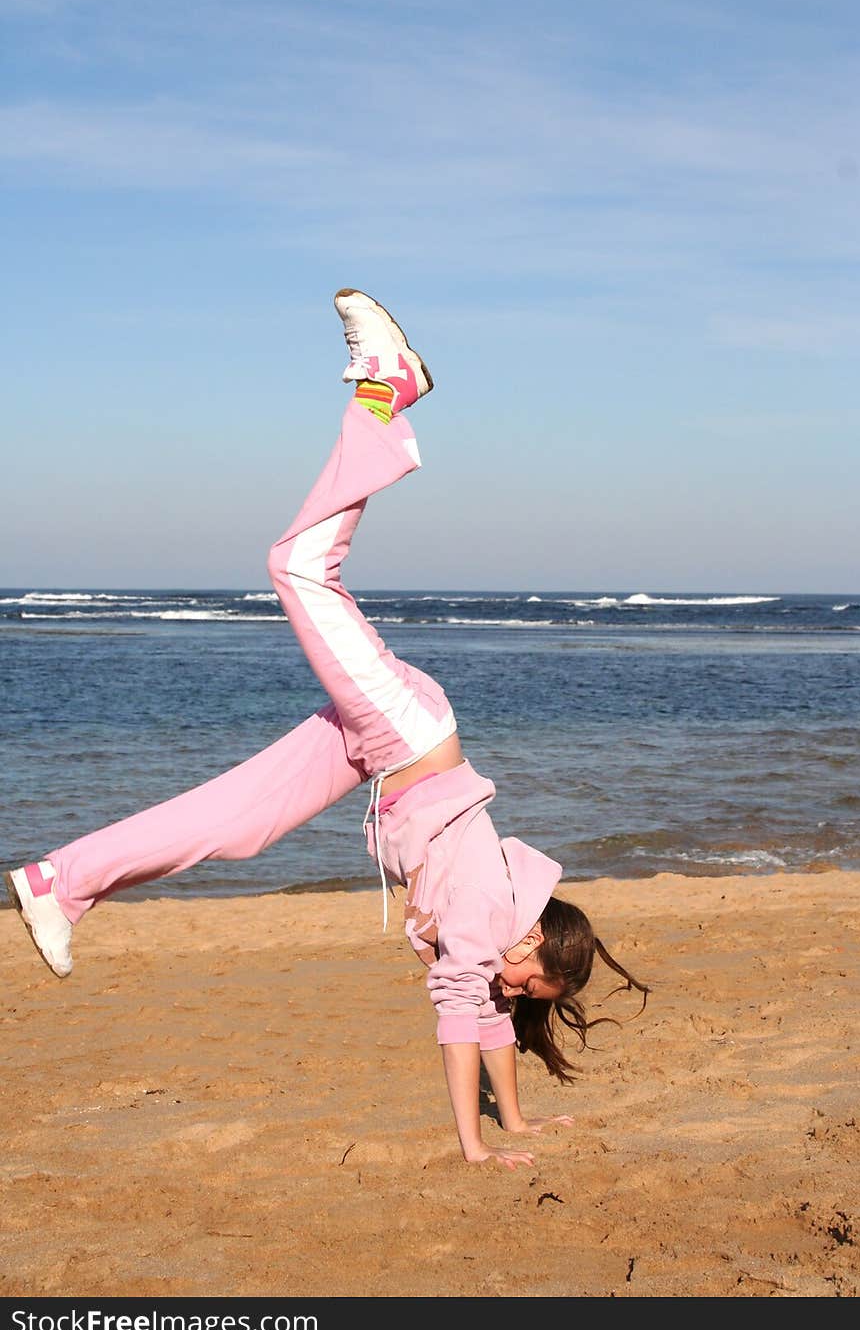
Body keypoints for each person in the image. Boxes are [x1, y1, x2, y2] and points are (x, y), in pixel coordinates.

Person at [6, 289, 649, 1169]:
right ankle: (386, 390)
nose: (517, 993)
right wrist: (475, 1146)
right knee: (299, 565)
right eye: (532, 981)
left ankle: (59, 880)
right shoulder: (488, 916)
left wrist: (522, 1122)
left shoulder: (499, 938)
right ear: (534, 940)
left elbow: (489, 1020)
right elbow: (460, 1023)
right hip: (406, 733)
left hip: (383, 757)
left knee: (238, 826)